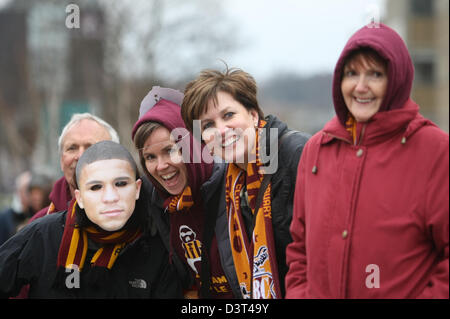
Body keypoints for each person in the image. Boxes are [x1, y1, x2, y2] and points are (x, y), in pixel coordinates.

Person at [285, 23, 449, 299]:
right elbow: (299, 249)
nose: (361, 87)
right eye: (351, 73)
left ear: (396, 79)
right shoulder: (316, 150)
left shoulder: (435, 150)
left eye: (375, 74)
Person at [181, 67, 310, 299]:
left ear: (252, 115)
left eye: (229, 115)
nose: (221, 130)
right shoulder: (229, 182)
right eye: (208, 125)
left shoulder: (296, 154)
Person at [0, 140, 183, 298]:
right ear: (79, 198)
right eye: (96, 187)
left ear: (137, 189)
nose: (110, 197)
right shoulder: (44, 236)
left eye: (121, 184)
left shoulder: (157, 248)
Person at [132, 86, 236, 298]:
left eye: (171, 150)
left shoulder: (234, 186)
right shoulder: (154, 199)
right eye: (150, 157)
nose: (161, 166)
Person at [29, 113, 120, 223]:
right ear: (62, 161)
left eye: (90, 147)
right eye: (72, 148)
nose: (80, 156)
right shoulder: (39, 227)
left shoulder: (138, 217)